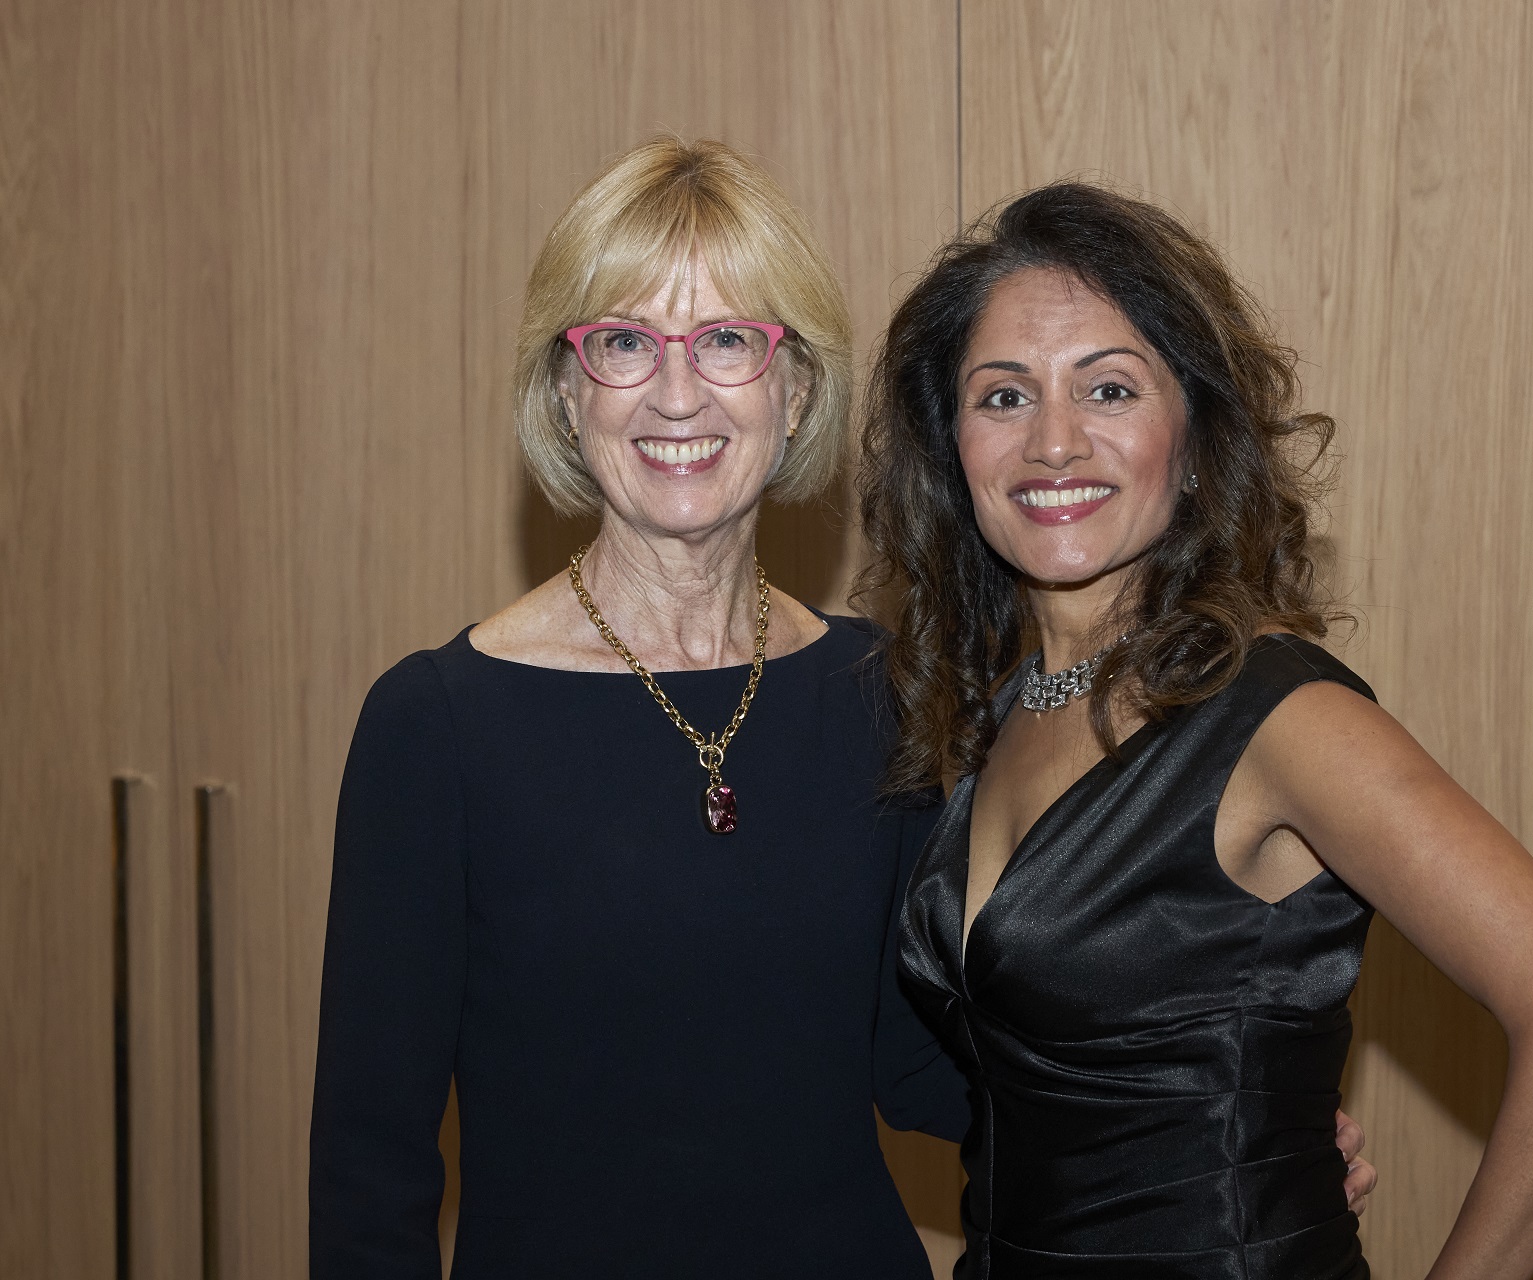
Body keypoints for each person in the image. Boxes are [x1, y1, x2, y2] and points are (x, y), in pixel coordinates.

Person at [306, 133, 1380, 1278]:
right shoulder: (440, 724)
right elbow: (371, 1175)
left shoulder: (882, 689)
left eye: (729, 339)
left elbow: (927, 1062)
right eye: (624, 341)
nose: (678, 392)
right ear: (568, 393)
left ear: (797, 386)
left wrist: (1205, 1116)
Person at [858, 182, 1533, 1279]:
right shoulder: (990, 715)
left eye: (1108, 388)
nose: (1053, 442)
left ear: (1191, 437)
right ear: (952, 448)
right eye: (1002, 397)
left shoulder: (1281, 716)